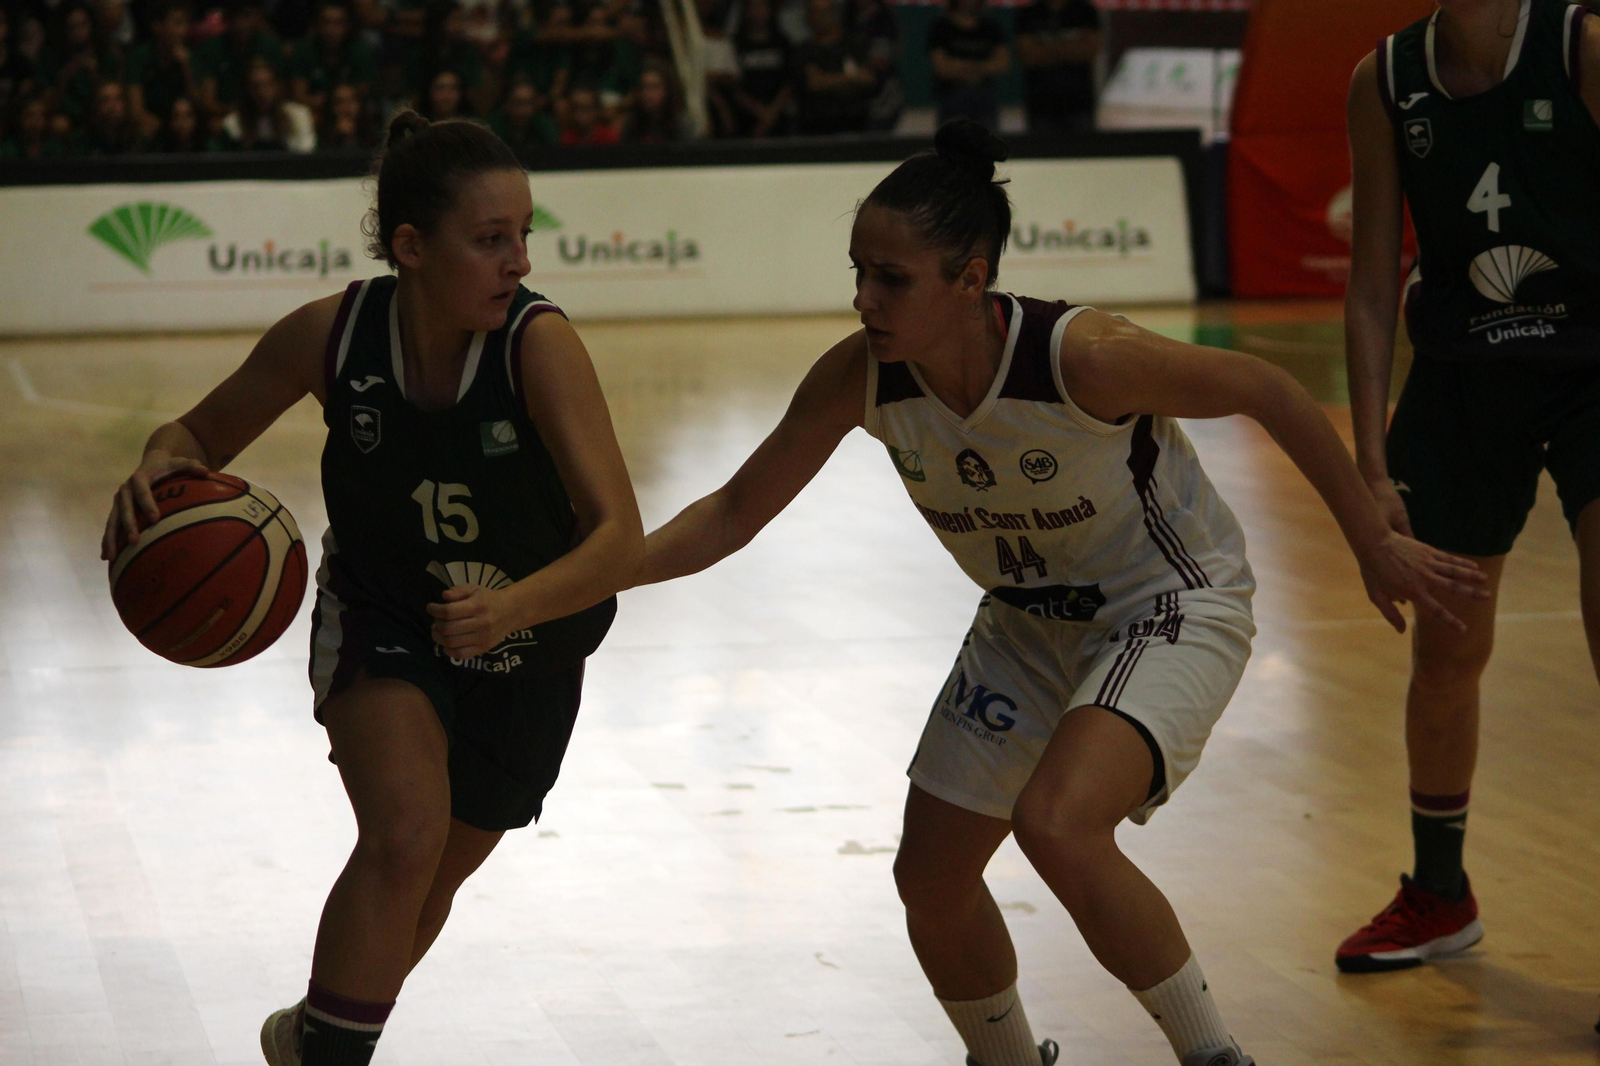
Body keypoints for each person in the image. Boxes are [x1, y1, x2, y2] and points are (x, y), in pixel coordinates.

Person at [632, 119, 1485, 1066]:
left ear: (971, 277)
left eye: (892, 279)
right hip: (1026, 621)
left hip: (1168, 597)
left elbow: (1268, 387)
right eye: (858, 273)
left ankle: (1216, 1058)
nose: (866, 299)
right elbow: (730, 513)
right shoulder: (861, 377)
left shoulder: (1082, 357)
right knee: (932, 876)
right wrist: (589, 577)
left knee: (1058, 825)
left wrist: (1370, 537)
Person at [100, 110, 642, 1066]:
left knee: (423, 890)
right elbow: (190, 436)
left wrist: (512, 607)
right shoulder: (330, 336)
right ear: (411, 246)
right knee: (402, 837)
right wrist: (156, 466)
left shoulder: (539, 347)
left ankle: (313, 1041)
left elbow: (618, 540)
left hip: (532, 642)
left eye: (523, 235)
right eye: (489, 240)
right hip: (386, 615)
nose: (517, 261)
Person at [1338, 0, 1600, 996]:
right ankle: (1439, 893)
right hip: (1459, 380)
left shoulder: (1579, 48)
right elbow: (1370, 283)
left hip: (1592, 370)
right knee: (1444, 648)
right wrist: (1367, 467)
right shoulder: (1385, 79)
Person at [1014, 0, 1098, 134]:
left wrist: (1047, 50)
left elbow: (1089, 51)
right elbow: (1028, 56)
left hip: (1079, 102)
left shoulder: (1085, 11)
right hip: (1040, 102)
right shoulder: (1028, 13)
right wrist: (1070, 50)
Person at [791, 0, 873, 135]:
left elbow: (867, 78)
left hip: (854, 127)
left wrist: (826, 80)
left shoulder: (853, 45)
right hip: (814, 130)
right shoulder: (803, 51)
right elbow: (814, 83)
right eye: (815, 13)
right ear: (808, 16)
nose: (820, 18)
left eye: (825, 12)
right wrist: (852, 78)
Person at [926, 0, 1008, 130]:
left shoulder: (990, 27)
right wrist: (981, 67)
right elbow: (942, 68)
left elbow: (1003, 63)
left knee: (986, 145)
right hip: (951, 97)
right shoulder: (941, 27)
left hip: (985, 98)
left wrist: (964, 66)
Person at [125, 0, 196, 136]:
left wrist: (186, 67)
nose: (182, 31)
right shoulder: (139, 57)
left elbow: (196, 104)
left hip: (180, 122)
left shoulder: (189, 57)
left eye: (184, 23)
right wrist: (164, 128)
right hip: (154, 124)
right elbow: (136, 111)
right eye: (177, 23)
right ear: (157, 26)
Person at [223, 55, 315, 149]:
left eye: (267, 85)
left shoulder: (298, 117)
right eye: (255, 87)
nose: (262, 93)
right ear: (246, 90)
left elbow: (305, 155)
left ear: (277, 86)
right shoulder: (233, 123)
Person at [728, 0, 791, 137]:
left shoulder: (783, 43)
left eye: (761, 7)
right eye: (752, 7)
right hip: (745, 121)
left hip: (777, 120)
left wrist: (771, 113)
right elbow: (732, 86)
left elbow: (790, 82)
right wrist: (759, 111)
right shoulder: (735, 45)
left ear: (770, 10)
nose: (757, 13)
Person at [620, 57, 686, 141]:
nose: (647, 93)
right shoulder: (632, 124)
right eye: (644, 87)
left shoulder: (679, 125)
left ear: (667, 90)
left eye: (654, 87)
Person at [488, 78, 559, 154]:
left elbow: (553, 154)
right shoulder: (495, 125)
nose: (523, 110)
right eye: (518, 103)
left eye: (528, 103)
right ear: (507, 104)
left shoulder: (545, 125)